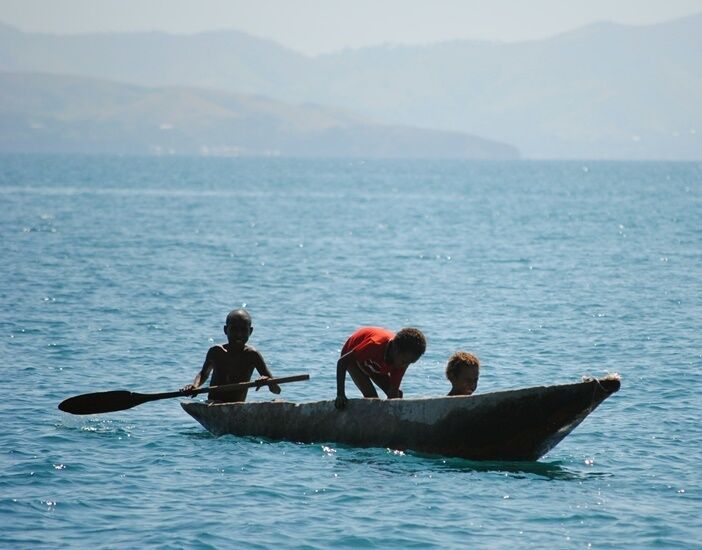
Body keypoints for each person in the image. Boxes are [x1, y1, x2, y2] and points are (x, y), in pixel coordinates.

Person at [182, 309, 281, 403]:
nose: (238, 334)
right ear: (225, 330)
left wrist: (267, 381)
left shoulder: (252, 355)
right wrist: (194, 386)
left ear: (250, 331)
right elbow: (203, 374)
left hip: (236, 407)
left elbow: (276, 390)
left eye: (243, 330)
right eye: (234, 329)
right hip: (212, 404)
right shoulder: (216, 352)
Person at [335, 326, 426, 410]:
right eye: (404, 362)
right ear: (396, 350)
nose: (405, 366)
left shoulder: (402, 360)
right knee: (372, 398)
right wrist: (340, 395)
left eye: (410, 363)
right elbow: (342, 362)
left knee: (397, 395)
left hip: (376, 363)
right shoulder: (374, 345)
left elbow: (393, 393)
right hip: (352, 358)